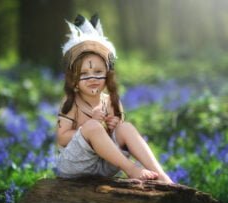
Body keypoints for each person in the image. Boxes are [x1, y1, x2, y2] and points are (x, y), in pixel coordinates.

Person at [55, 14, 173, 183]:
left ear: (107, 75)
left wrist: (113, 127)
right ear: (74, 80)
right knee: (93, 127)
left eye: (98, 72)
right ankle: (131, 169)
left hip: (105, 164)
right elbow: (62, 137)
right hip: (76, 164)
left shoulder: (111, 101)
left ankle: (161, 176)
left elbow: (117, 136)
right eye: (84, 74)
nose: (92, 78)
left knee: (126, 127)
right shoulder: (71, 101)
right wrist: (89, 127)